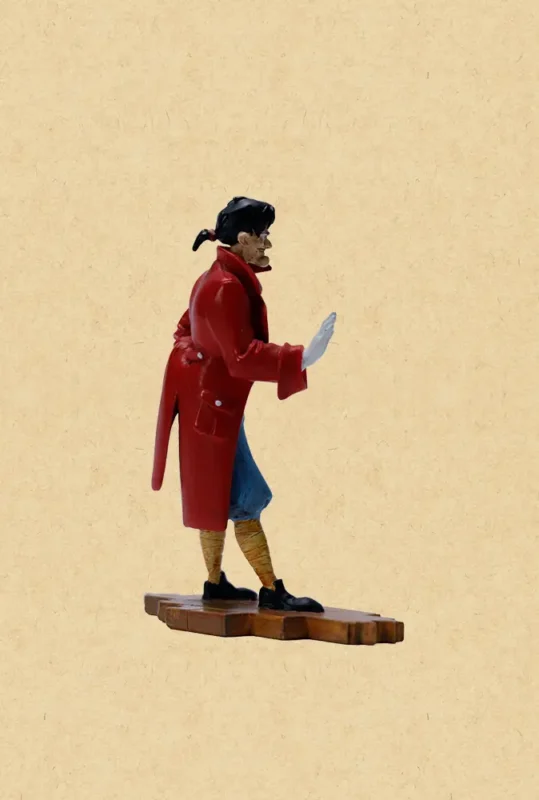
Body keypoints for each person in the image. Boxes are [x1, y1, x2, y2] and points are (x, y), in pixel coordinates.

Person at [152, 196, 336, 613]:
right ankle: (271, 590)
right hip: (215, 412)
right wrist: (300, 357)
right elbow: (241, 357)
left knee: (216, 497)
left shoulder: (212, 278)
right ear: (242, 238)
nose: (268, 243)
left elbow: (185, 331)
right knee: (245, 496)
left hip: (214, 408)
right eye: (263, 234)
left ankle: (214, 583)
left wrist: (199, 361)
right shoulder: (225, 286)